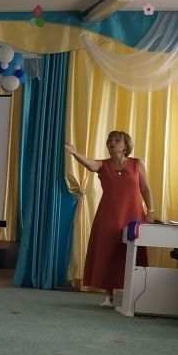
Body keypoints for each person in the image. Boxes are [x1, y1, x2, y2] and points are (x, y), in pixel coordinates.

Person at [66, 131, 155, 307]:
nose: (112, 142)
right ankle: (108, 296)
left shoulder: (137, 164)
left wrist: (151, 211)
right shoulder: (103, 165)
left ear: (126, 146)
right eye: (110, 140)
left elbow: (145, 188)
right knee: (107, 252)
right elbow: (90, 164)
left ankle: (134, 296)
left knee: (132, 253)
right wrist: (76, 154)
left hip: (133, 215)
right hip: (108, 215)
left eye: (117, 140)